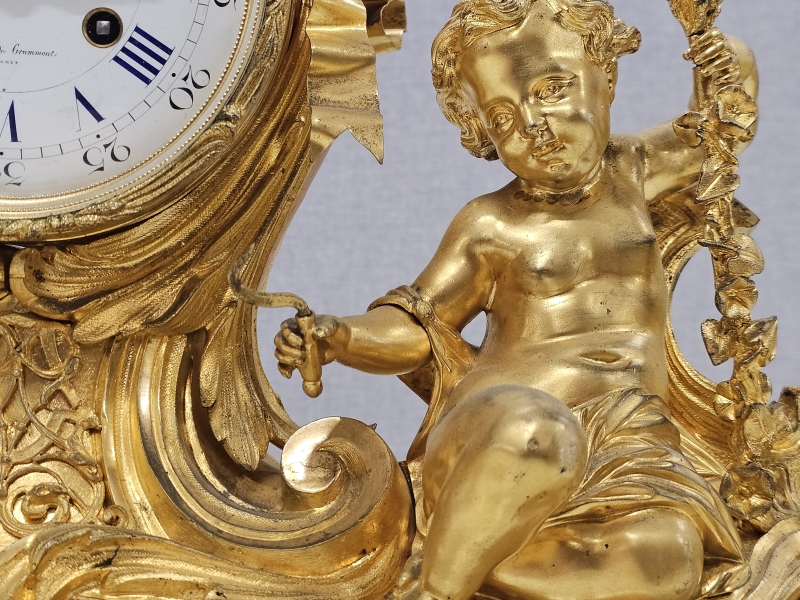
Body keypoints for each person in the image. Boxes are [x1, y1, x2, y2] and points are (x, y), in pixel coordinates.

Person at [275, 1, 758, 598]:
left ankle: (469, 560)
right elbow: (420, 322)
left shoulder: (635, 171)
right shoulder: (491, 224)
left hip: (623, 447)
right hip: (498, 437)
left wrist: (724, 55)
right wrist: (340, 336)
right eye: (503, 118)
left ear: (605, 76)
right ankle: (436, 590)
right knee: (540, 433)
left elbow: (723, 124)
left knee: (672, 559)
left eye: (552, 90)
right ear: (481, 132)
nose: (534, 125)